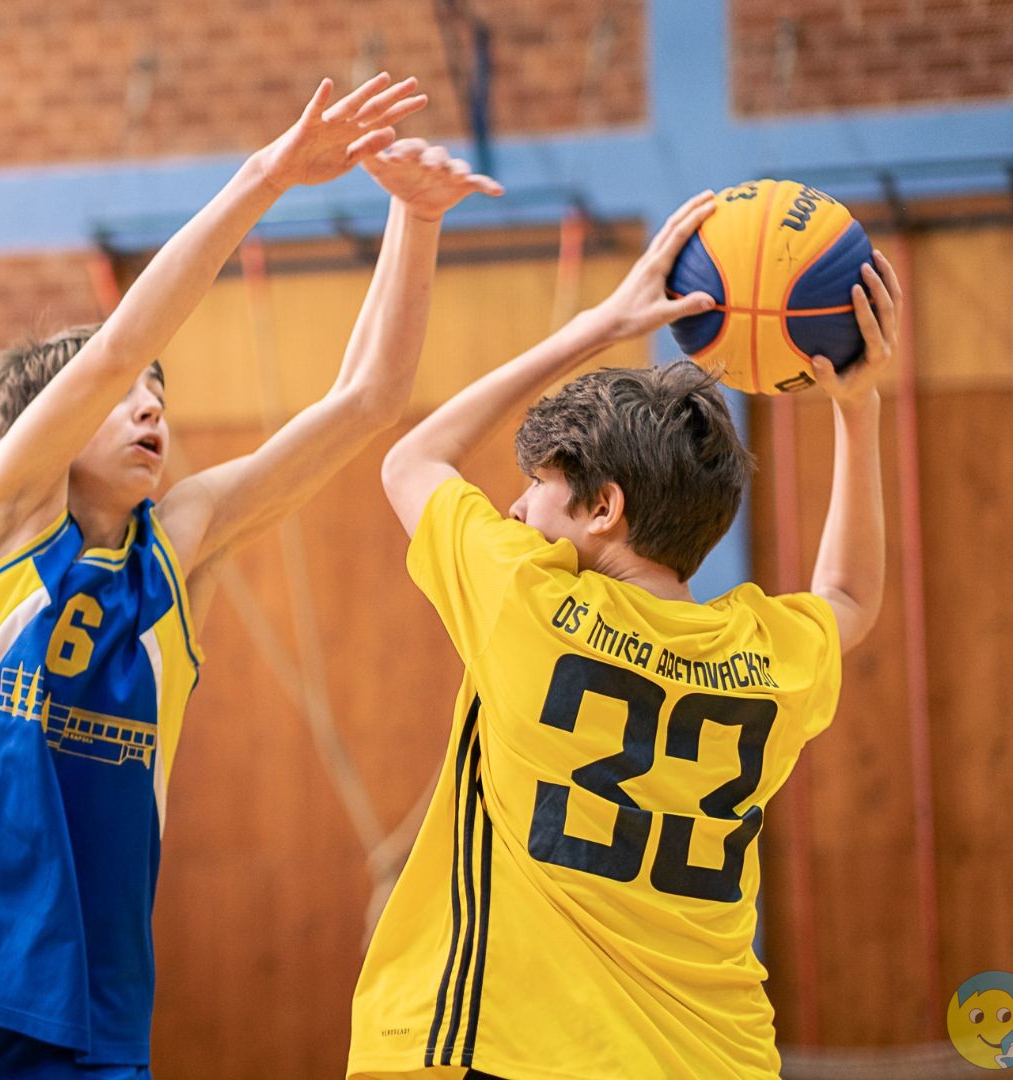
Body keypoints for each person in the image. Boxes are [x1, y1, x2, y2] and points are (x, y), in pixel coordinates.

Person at [0, 73, 504, 1079]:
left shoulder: (177, 548)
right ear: (50, 423)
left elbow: (368, 399)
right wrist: (266, 174)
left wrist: (416, 219)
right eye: (126, 399)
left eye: (160, 396)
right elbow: (116, 350)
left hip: (92, 1008)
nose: (150, 407)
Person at [346, 190, 901, 1079]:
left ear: (603, 507)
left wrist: (602, 324)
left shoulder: (527, 596)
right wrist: (859, 407)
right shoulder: (760, 656)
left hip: (513, 1051)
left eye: (537, 486)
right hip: (717, 1058)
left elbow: (412, 459)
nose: (516, 508)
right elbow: (848, 595)